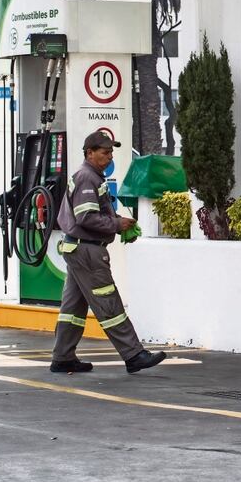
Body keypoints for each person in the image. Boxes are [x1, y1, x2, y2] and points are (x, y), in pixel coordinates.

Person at [50, 131, 166, 374]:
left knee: (73, 309)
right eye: (105, 152)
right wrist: (116, 224)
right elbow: (86, 217)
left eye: (111, 152)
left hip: (78, 249)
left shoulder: (91, 176)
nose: (110, 156)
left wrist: (116, 220)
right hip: (88, 251)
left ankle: (62, 358)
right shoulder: (86, 178)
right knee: (108, 301)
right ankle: (134, 354)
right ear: (89, 152)